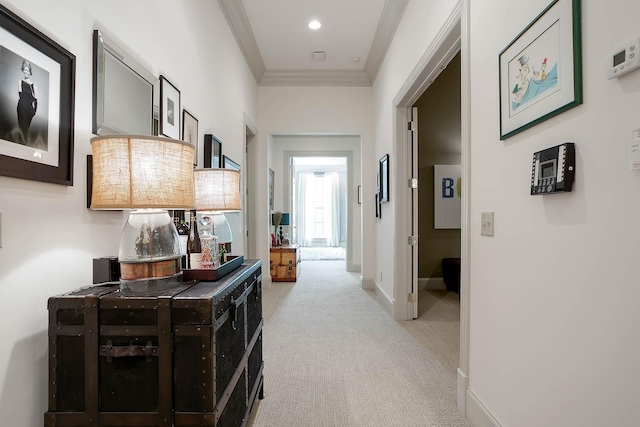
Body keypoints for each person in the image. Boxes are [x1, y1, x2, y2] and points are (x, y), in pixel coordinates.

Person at [17, 59, 38, 144]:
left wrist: (34, 112)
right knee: (21, 128)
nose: (26, 72)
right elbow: (20, 94)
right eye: (25, 70)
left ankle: (24, 146)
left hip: (29, 110)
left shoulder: (34, 86)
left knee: (26, 129)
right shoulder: (20, 81)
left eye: (27, 70)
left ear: (30, 72)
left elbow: (36, 101)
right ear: (23, 70)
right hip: (21, 107)